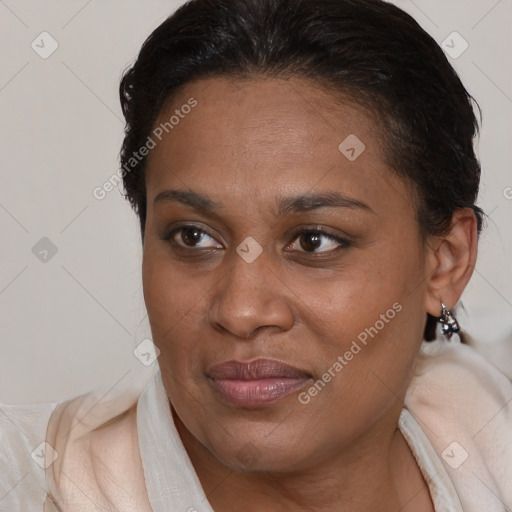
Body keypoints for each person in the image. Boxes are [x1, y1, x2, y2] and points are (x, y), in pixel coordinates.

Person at [1, 0, 511, 510]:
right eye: (194, 237)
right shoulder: (30, 486)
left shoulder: (487, 420)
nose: (241, 312)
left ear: (445, 262)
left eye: (314, 241)